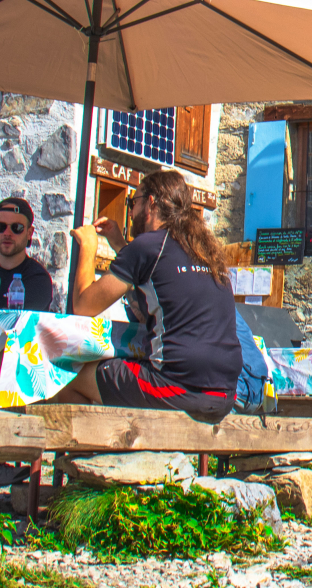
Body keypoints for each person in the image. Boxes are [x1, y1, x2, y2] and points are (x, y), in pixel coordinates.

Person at [50, 169, 242, 423]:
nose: (130, 211)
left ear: (150, 202)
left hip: (178, 387)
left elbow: (84, 306)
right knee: (116, 378)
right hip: (224, 395)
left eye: (133, 202)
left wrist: (88, 246)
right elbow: (157, 279)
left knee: (67, 378)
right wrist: (120, 244)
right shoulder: (202, 250)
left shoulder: (149, 246)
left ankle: (101, 458)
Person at [0, 197, 55, 311]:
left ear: (29, 233)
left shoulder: (38, 280)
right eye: (0, 227)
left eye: (16, 228)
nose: (7, 233)